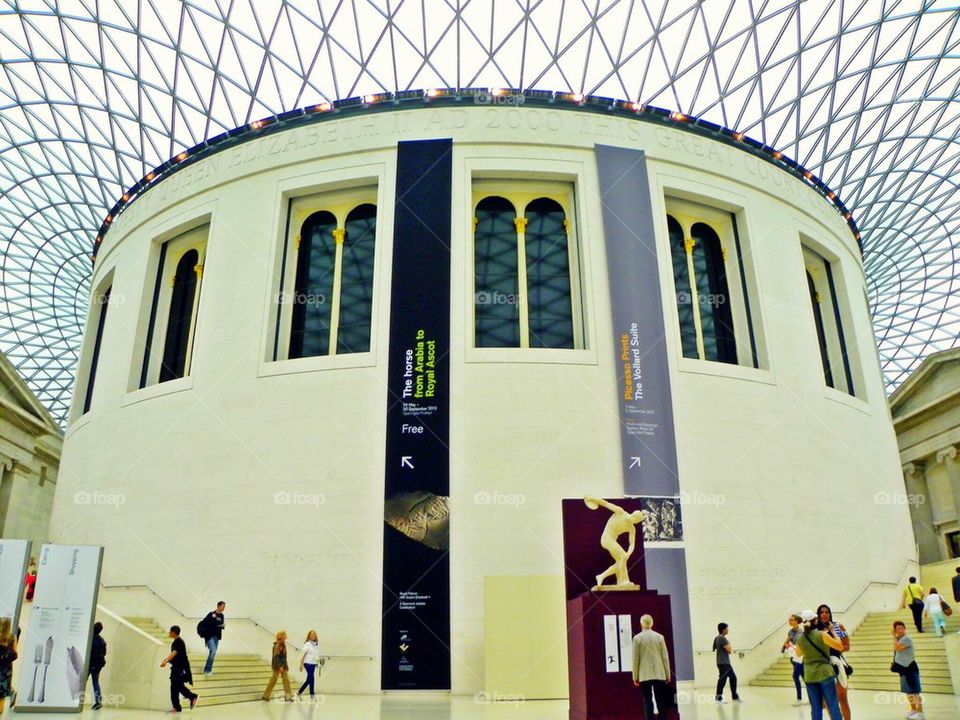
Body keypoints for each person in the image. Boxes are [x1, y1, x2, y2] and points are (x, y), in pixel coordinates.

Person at [794, 609, 844, 720]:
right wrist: (834, 632)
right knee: (833, 706)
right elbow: (839, 646)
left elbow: (798, 653)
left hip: (809, 675)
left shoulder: (800, 638)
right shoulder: (822, 635)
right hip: (825, 672)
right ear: (815, 620)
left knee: (816, 708)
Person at [584, 497, 645, 587]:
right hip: (606, 538)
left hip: (611, 540)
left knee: (621, 560)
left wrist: (629, 553)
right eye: (637, 521)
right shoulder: (620, 512)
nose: (636, 523)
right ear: (633, 516)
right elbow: (605, 503)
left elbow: (632, 543)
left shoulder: (631, 528)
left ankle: (601, 576)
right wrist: (592, 499)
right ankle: (624, 581)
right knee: (622, 557)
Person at [631, 614, 672, 719]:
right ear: (652, 623)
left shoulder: (637, 638)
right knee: (660, 699)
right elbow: (665, 657)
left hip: (644, 674)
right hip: (659, 673)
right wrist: (667, 674)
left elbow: (636, 659)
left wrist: (635, 676)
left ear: (641, 624)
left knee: (647, 699)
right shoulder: (660, 637)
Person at [816, 605, 851, 720]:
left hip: (838, 664)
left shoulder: (838, 626)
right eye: (822, 612)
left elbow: (847, 646)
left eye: (827, 612)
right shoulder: (815, 630)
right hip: (823, 666)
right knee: (828, 701)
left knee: (842, 698)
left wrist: (836, 648)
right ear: (818, 614)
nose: (824, 614)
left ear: (830, 614)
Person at [160, 625, 198, 712]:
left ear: (173, 632)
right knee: (174, 686)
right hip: (177, 667)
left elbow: (174, 652)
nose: (169, 633)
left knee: (177, 685)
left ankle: (192, 696)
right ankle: (177, 707)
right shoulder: (177, 641)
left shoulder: (178, 642)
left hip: (180, 668)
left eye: (170, 631)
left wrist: (165, 661)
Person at [893, 620, 924, 719]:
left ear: (905, 629)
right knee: (909, 692)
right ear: (895, 630)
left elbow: (897, 648)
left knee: (915, 692)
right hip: (903, 670)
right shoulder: (899, 639)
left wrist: (894, 637)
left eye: (902, 628)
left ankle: (921, 713)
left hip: (911, 668)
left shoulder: (906, 638)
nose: (901, 630)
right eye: (898, 629)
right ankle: (914, 710)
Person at [712, 622, 741, 704]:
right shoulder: (722, 638)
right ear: (723, 630)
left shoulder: (717, 638)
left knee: (732, 678)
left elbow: (714, 648)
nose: (728, 630)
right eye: (727, 628)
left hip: (722, 662)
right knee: (723, 680)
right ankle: (718, 698)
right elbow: (729, 649)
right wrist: (728, 644)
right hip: (724, 663)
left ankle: (734, 696)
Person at [781, 614, 805, 706]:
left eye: (791, 619)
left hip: (800, 657)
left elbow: (800, 645)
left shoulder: (800, 632)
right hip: (793, 657)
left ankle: (799, 699)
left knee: (795, 676)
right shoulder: (790, 631)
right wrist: (784, 647)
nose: (789, 621)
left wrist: (790, 645)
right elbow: (787, 641)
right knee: (804, 677)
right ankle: (813, 697)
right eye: (789, 619)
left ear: (796, 621)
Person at [262, 630, 293, 702]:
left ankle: (288, 697)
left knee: (286, 680)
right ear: (281, 636)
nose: (286, 636)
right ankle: (265, 695)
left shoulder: (283, 644)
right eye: (285, 635)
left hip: (283, 666)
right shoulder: (277, 645)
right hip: (277, 666)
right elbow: (276, 657)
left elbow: (284, 657)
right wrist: (280, 666)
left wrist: (285, 666)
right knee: (273, 680)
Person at [200, 601, 225, 676]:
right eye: (223, 606)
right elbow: (205, 623)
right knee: (213, 650)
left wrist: (222, 625)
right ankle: (207, 670)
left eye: (224, 607)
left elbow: (222, 625)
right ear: (218, 606)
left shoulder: (222, 615)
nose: (224, 608)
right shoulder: (211, 614)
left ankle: (207, 670)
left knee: (212, 653)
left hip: (217, 637)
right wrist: (215, 625)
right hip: (210, 636)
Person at [0, 617, 18, 714]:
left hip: (3, 670)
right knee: (2, 692)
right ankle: (11, 692)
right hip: (6, 670)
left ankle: (11, 692)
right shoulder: (11, 637)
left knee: (1, 693)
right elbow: (15, 654)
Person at [89, 621, 107, 710]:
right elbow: (104, 653)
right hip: (98, 665)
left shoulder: (91, 640)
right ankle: (98, 701)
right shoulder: (102, 641)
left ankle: (76, 698)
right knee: (95, 682)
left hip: (91, 664)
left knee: (81, 682)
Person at [298, 630, 321, 698]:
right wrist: (301, 664)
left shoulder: (316, 644)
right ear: (309, 636)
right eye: (311, 635)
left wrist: (317, 662)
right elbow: (302, 654)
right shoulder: (307, 644)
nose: (312, 636)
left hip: (313, 663)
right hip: (307, 663)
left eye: (314, 634)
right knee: (312, 677)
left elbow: (316, 654)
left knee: (309, 679)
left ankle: (300, 692)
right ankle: (312, 694)